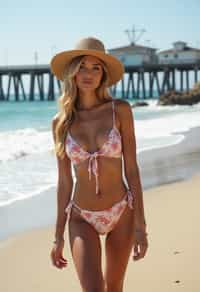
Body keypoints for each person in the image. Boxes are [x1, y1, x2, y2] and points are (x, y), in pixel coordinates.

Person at [50, 37, 148, 292]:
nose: (88, 73)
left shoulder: (120, 111)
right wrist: (58, 236)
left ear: (103, 74)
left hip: (121, 212)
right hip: (82, 216)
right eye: (82, 66)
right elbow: (64, 182)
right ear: (72, 71)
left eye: (96, 67)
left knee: (114, 287)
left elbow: (133, 170)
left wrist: (141, 226)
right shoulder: (61, 123)